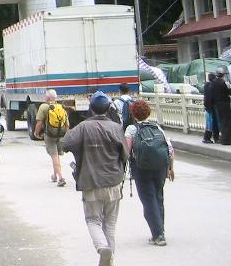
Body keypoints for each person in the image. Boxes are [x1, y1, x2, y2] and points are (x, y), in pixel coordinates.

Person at [62, 91, 128, 266]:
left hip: (91, 182)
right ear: (108, 109)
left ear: (90, 108)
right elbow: (125, 155)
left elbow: (65, 143)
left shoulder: (83, 127)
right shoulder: (116, 128)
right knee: (110, 226)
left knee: (93, 220)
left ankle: (102, 247)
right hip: (114, 182)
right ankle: (109, 260)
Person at [125, 99, 174, 246]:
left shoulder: (132, 129)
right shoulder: (157, 127)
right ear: (148, 112)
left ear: (133, 114)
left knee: (148, 199)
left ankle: (158, 235)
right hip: (160, 167)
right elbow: (170, 150)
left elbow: (127, 150)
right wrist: (170, 168)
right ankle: (160, 230)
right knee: (158, 197)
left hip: (141, 169)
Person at [34, 89, 69, 187]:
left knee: (54, 155)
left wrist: (36, 133)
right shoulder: (61, 107)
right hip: (60, 135)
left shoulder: (44, 107)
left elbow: (39, 122)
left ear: (48, 98)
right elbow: (67, 124)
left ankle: (61, 178)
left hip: (50, 135)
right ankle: (55, 175)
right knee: (56, 156)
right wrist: (66, 134)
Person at [211, 67, 231, 145]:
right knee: (227, 122)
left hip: (217, 105)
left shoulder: (213, 82)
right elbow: (230, 92)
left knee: (221, 122)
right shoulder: (225, 83)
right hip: (224, 104)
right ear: (223, 74)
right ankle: (226, 140)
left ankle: (222, 138)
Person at [203, 73, 219, 143]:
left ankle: (207, 138)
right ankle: (208, 138)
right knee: (212, 123)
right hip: (211, 107)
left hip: (207, 106)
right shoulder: (213, 86)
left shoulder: (206, 85)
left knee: (209, 123)